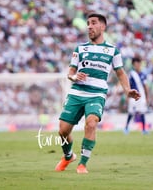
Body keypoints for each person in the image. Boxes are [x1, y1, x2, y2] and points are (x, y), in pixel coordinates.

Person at [54, 13, 140, 174]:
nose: (89, 26)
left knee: (91, 123)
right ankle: (68, 156)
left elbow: (120, 73)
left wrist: (127, 90)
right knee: (63, 131)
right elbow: (71, 71)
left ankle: (82, 164)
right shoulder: (80, 48)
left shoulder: (112, 50)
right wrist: (74, 76)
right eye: (88, 23)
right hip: (77, 92)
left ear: (103, 26)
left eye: (93, 23)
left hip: (97, 94)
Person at [124, 56, 150, 135]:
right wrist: (127, 96)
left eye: (138, 63)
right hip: (133, 96)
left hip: (141, 97)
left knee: (142, 112)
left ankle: (144, 129)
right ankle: (126, 128)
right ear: (133, 65)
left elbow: (145, 86)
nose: (137, 65)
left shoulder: (143, 74)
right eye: (135, 64)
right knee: (131, 112)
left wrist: (147, 97)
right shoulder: (131, 74)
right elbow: (128, 86)